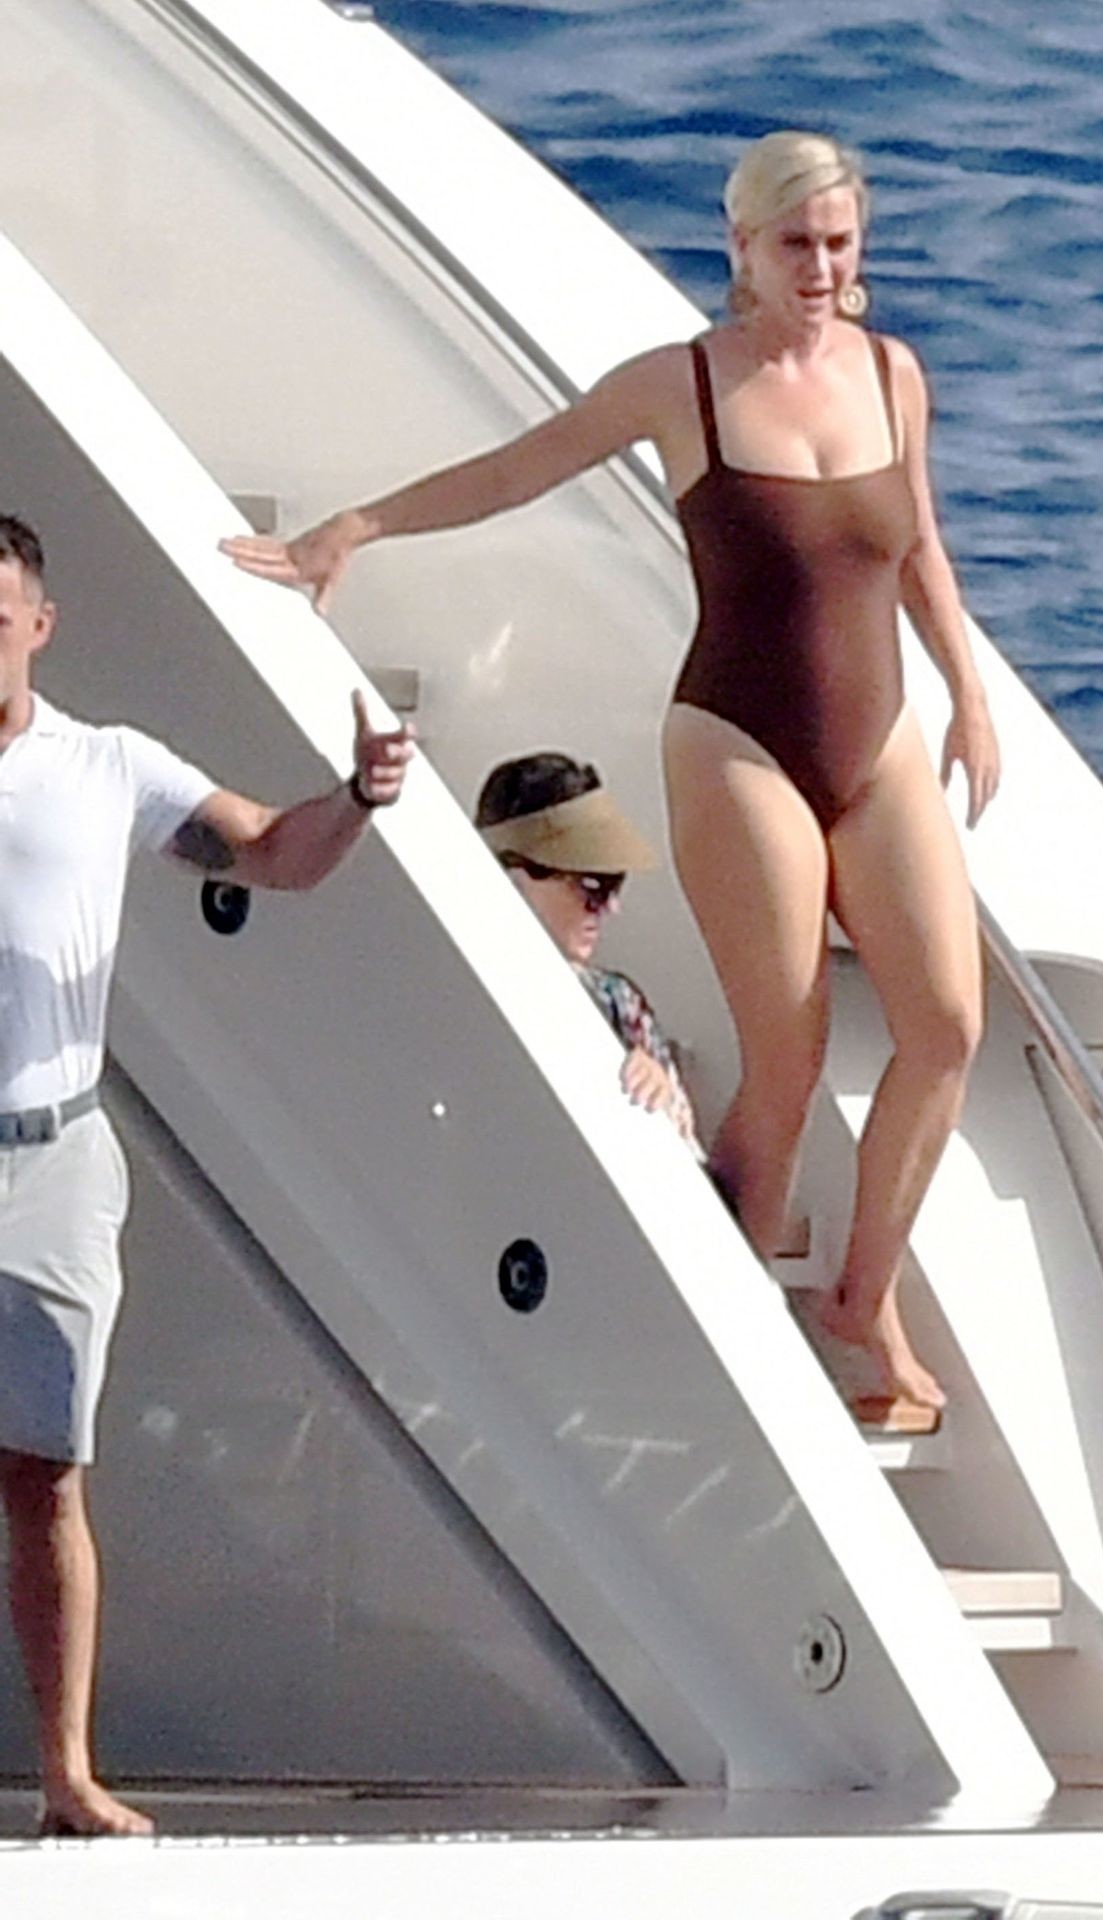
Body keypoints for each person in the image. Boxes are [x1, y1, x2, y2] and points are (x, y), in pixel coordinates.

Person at [221, 129, 999, 1430]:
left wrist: (968, 695)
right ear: (742, 246)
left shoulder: (891, 374)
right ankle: (733, 1328)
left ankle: (860, 1300)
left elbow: (916, 545)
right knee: (788, 1053)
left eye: (838, 243)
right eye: (795, 244)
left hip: (882, 746)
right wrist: (353, 527)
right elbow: (515, 470)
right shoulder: (680, 385)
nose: (819, 268)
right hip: (737, 742)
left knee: (948, 1028)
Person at [0, 513, 412, 1836]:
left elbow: (277, 854)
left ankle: (68, 1776)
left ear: (39, 627)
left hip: (52, 1159)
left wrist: (359, 797)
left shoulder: (105, 766)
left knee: (44, 1474)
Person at [475, 752, 700, 1152]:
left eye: (615, 883)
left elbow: (688, 1152)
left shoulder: (618, 1004)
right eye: (593, 884)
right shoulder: (454, 983)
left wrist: (661, 1097)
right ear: (515, 875)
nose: (611, 907)